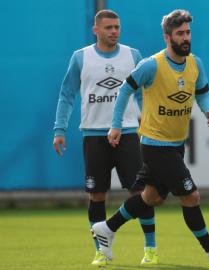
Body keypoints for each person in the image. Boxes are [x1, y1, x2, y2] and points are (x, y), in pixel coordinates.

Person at [91, 9, 209, 267]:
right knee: (191, 196)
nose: (186, 38)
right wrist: (115, 126)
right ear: (167, 37)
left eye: (188, 33)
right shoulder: (152, 65)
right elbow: (124, 90)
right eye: (180, 33)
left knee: (152, 197)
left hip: (176, 144)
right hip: (154, 145)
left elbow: (202, 92)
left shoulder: (196, 63)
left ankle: (107, 227)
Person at [52, 10, 158, 266]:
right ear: (96, 30)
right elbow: (66, 95)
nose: (114, 31)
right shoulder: (81, 58)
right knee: (97, 195)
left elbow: (145, 92)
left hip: (130, 133)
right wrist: (59, 129)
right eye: (109, 27)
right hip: (94, 136)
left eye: (117, 27)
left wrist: (146, 118)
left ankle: (151, 249)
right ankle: (101, 250)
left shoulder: (133, 56)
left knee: (141, 192)